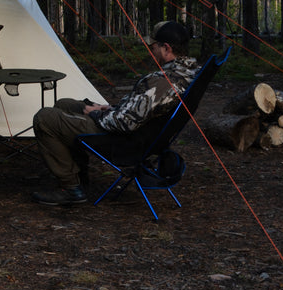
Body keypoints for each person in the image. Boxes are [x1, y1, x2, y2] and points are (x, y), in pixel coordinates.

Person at [31, 20, 199, 206]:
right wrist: (111, 109)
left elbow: (125, 123)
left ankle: (70, 188)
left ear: (166, 48)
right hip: (140, 134)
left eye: (153, 47)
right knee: (65, 104)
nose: (151, 52)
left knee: (45, 118)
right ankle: (78, 174)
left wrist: (95, 114)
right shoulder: (188, 74)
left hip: (121, 140)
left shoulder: (162, 82)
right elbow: (140, 112)